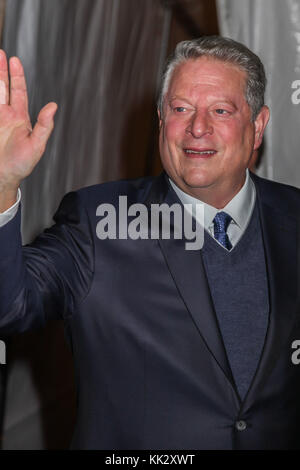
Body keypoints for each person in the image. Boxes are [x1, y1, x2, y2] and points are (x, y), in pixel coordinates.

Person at [0, 35, 299, 450]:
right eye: (180, 109)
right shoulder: (97, 222)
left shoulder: (294, 218)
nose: (198, 127)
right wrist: (2, 185)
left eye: (221, 110)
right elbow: (10, 306)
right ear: (161, 119)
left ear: (259, 126)